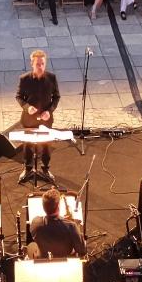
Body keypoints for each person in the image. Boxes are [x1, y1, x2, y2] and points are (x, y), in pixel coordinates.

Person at [15, 49, 60, 185]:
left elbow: (56, 97)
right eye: (37, 64)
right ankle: (28, 168)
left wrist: (50, 111)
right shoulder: (24, 79)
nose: (40, 67)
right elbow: (18, 97)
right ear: (32, 64)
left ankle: (45, 169)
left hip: (46, 120)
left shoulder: (51, 78)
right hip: (29, 120)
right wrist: (27, 107)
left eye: (42, 64)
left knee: (46, 146)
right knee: (28, 145)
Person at [28, 188, 85, 259]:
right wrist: (76, 227)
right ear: (58, 206)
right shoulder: (71, 226)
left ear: (43, 207)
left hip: (43, 259)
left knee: (31, 246)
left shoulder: (35, 222)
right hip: (65, 261)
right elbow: (82, 251)